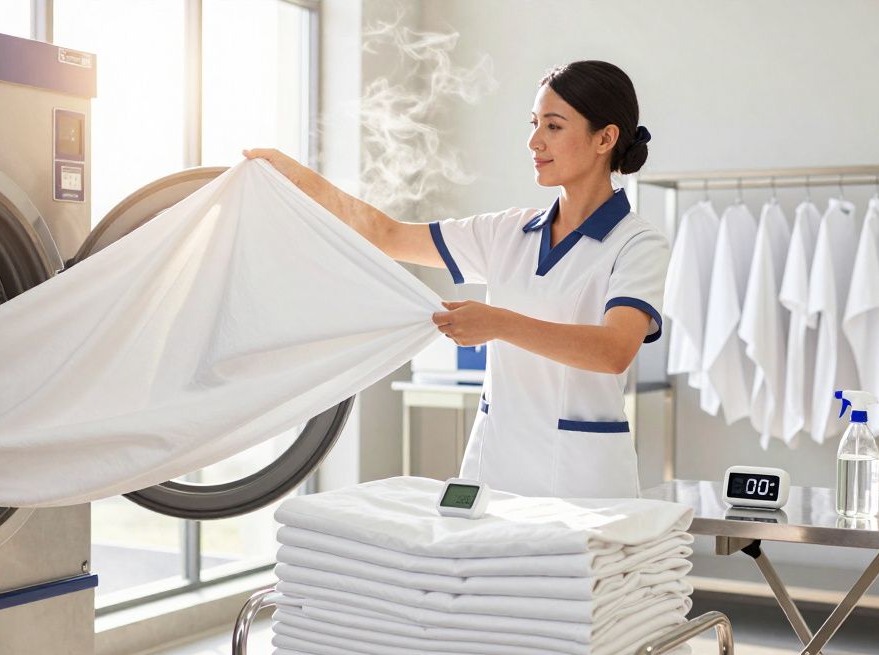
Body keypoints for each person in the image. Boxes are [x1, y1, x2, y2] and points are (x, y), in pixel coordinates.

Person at [244, 60, 668, 499]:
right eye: (534, 123)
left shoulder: (637, 244)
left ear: (606, 138)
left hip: (584, 482)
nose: (534, 141)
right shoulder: (507, 232)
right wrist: (294, 177)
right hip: (494, 467)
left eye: (554, 126)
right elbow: (387, 235)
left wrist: (499, 323)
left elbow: (613, 351)